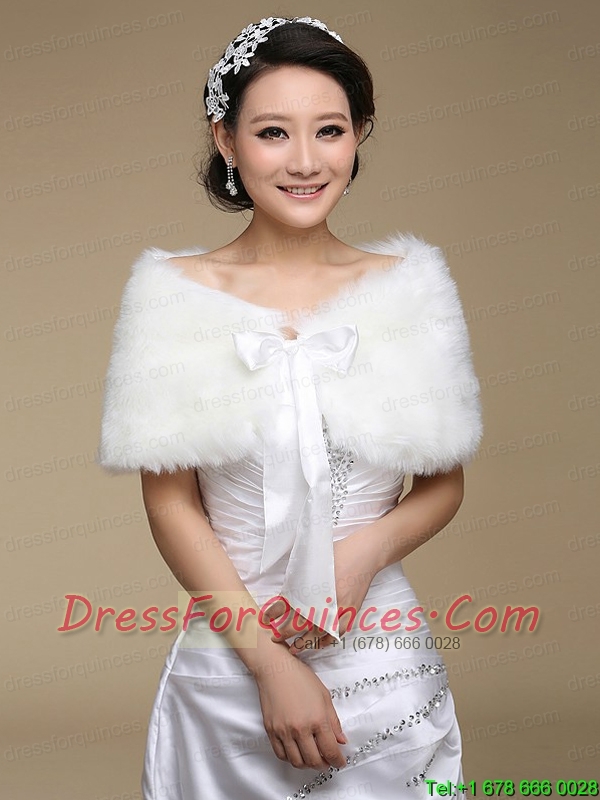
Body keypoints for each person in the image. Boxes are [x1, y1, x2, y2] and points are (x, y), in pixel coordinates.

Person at [98, 16, 483, 799]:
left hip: (383, 660)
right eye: (273, 132)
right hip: (232, 662)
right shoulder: (171, 297)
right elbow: (171, 504)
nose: (305, 161)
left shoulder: (411, 288)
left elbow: (444, 485)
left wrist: (359, 559)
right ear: (227, 140)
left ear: (358, 135)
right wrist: (270, 667)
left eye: (329, 130)